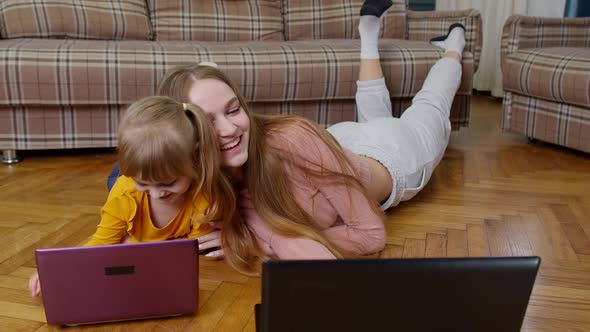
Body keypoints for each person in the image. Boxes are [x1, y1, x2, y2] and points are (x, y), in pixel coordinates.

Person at [109, 0, 466, 275]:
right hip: (335, 143)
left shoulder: (294, 140)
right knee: (373, 110)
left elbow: (371, 235)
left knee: (430, 107)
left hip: (393, 156)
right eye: (208, 121)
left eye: (234, 110)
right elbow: (137, 185)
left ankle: (453, 47)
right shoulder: (192, 171)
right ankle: (368, 35)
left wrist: (259, 241)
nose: (230, 130)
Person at [29, 96, 235, 296]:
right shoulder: (124, 193)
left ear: (194, 159)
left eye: (168, 183)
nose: (156, 194)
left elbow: (188, 254)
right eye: (143, 183)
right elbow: (101, 243)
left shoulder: (204, 198)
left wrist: (133, 245)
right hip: (131, 221)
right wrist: (59, 270)